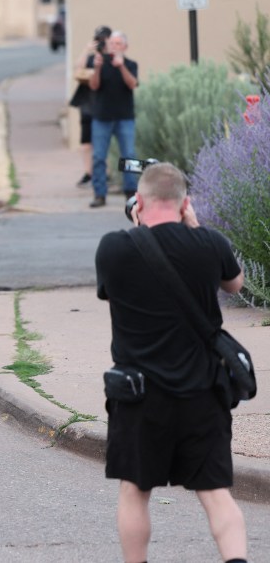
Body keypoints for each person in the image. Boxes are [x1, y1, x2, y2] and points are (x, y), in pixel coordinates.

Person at [96, 163, 247, 563]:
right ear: (185, 204)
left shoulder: (115, 248)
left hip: (140, 396)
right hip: (202, 394)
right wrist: (195, 229)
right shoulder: (209, 243)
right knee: (216, 495)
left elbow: (114, 296)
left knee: (134, 491)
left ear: (139, 202)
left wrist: (141, 231)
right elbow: (235, 284)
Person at [88, 30, 138, 208]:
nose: (114, 47)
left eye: (118, 44)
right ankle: (99, 194)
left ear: (125, 47)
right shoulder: (100, 63)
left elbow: (132, 84)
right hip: (102, 117)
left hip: (125, 117)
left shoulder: (131, 64)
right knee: (99, 156)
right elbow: (93, 86)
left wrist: (121, 66)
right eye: (112, 44)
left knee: (129, 155)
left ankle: (131, 192)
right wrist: (97, 68)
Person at [69, 25, 111, 189]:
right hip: (87, 103)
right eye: (98, 40)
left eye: (103, 40)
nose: (100, 43)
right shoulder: (90, 58)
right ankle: (88, 172)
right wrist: (87, 50)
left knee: (104, 140)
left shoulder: (111, 58)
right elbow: (78, 71)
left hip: (104, 105)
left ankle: (105, 172)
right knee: (86, 142)